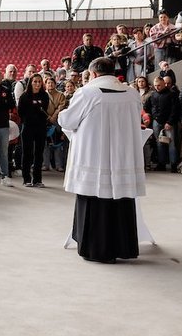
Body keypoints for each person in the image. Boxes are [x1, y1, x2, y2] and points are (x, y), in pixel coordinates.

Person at [59, 57, 147, 264]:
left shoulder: (88, 92)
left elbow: (67, 120)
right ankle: (122, 247)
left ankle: (96, 249)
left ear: (94, 74)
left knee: (94, 199)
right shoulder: (132, 93)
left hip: (95, 156)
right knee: (120, 200)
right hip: (122, 157)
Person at [17, 74, 50, 187]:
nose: (37, 84)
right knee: (27, 153)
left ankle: (37, 180)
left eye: (39, 82)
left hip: (40, 127)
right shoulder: (24, 96)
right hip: (28, 128)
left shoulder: (45, 96)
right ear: (31, 83)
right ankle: (26, 179)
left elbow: (44, 110)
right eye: (35, 81)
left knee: (39, 154)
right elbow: (20, 112)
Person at [143, 77, 180, 172]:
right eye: (155, 86)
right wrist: (149, 116)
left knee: (171, 143)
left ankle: (173, 164)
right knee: (159, 143)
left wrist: (170, 122)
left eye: (159, 85)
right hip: (157, 121)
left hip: (168, 122)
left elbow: (175, 110)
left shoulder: (172, 94)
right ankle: (161, 163)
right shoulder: (153, 95)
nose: (157, 87)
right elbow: (147, 108)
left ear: (164, 83)